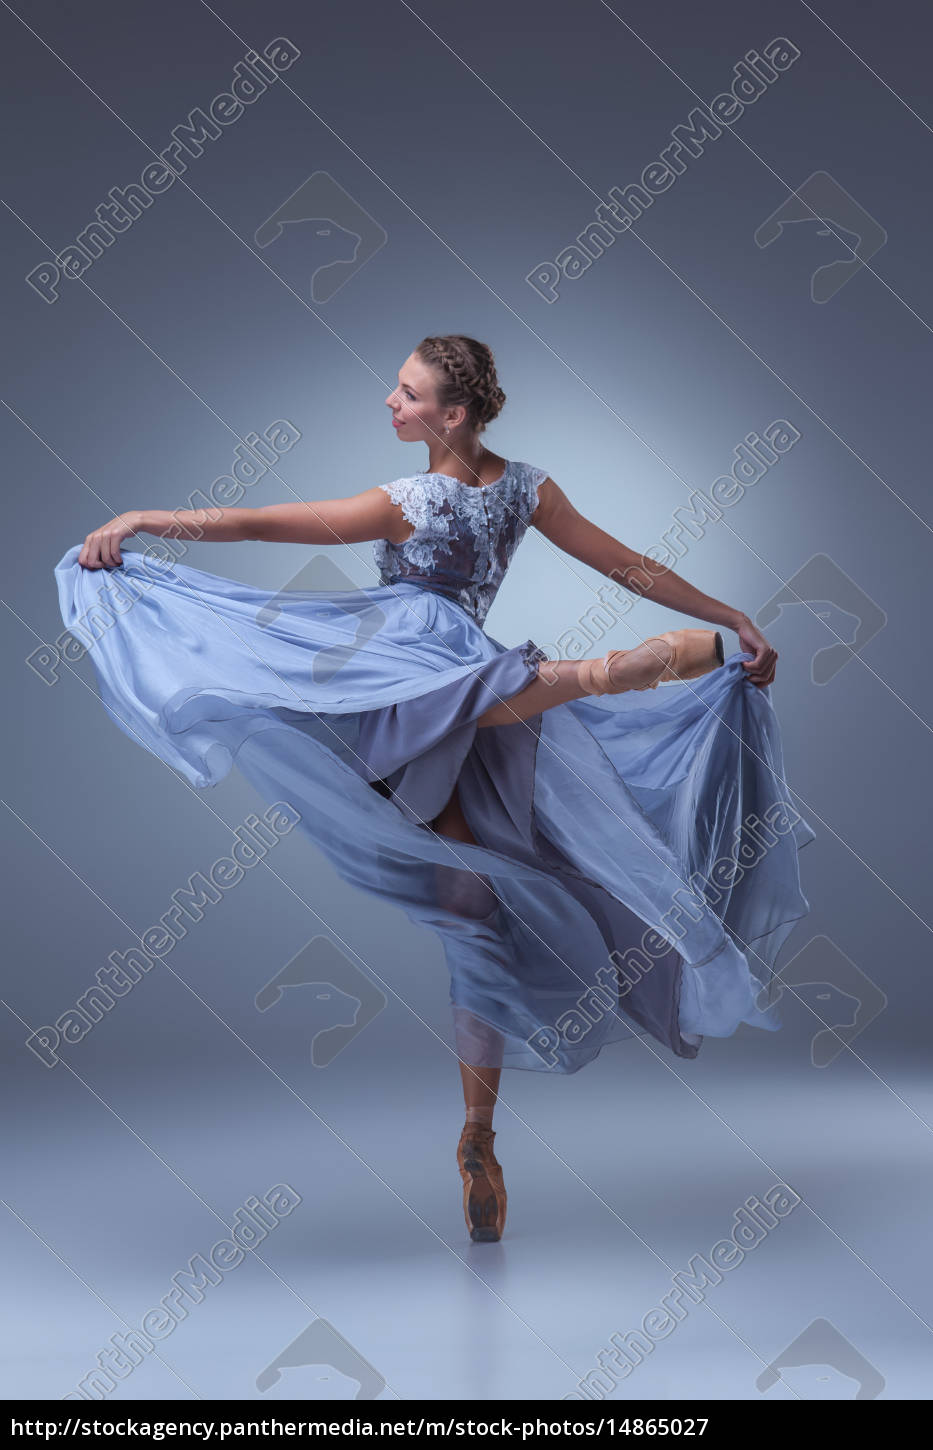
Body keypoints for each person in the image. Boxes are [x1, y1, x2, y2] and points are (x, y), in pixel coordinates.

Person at [55, 333, 813, 1244]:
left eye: (405, 393)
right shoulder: (528, 488)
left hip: (408, 685)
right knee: (471, 886)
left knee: (448, 864)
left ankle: (478, 1135)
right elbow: (626, 567)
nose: (389, 403)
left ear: (450, 415)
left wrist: (144, 517)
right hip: (476, 686)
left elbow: (258, 523)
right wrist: (725, 615)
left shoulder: (406, 502)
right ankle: (478, 1137)